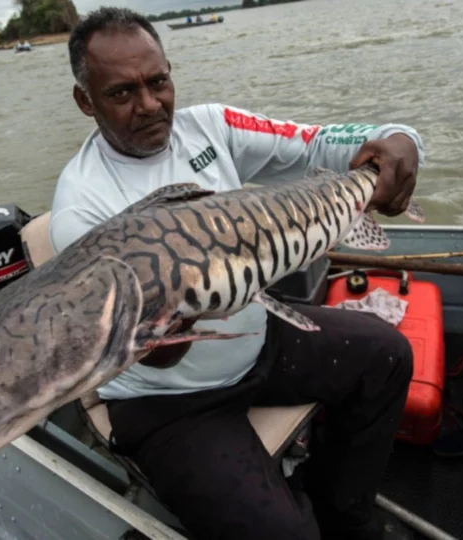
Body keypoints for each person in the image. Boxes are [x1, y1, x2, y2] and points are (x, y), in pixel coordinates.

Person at [50, 7, 424, 540]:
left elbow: (322, 142)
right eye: (122, 93)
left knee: (387, 354)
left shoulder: (212, 126)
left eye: (159, 82)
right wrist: (172, 315)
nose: (151, 105)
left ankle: (344, 511)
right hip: (167, 401)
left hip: (258, 334)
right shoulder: (81, 212)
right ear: (85, 100)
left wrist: (401, 140)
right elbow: (156, 355)